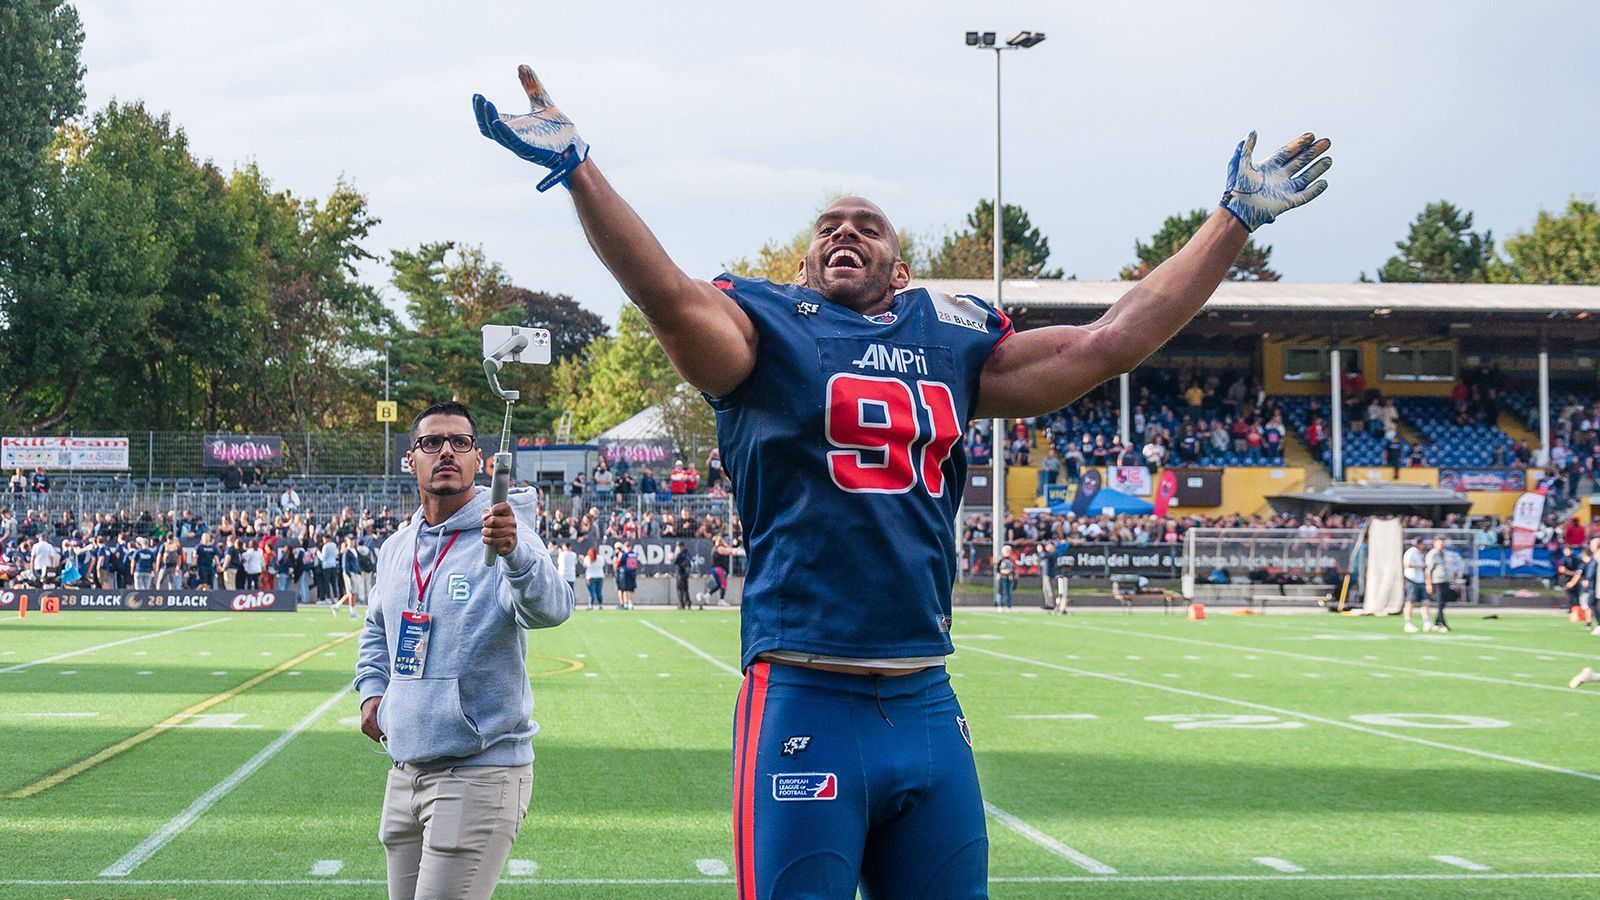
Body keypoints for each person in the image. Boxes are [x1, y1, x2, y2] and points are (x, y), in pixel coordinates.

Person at [472, 66, 1330, 897]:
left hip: (927, 699)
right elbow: (662, 292)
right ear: (805, 266)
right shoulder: (764, 330)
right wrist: (581, 170)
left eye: (868, 226)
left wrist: (1232, 222)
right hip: (806, 687)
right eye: (829, 226)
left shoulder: (949, 339)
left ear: (900, 270)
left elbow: (1105, 343)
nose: (845, 231)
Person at [355, 401, 572, 900]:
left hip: (478, 772)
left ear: (480, 459)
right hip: (405, 768)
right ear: (411, 460)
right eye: (432, 442)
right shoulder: (396, 547)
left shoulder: (504, 533)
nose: (446, 451)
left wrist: (516, 554)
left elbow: (554, 609)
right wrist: (372, 693)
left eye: (460, 442)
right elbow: (376, 630)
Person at [1423, 535, 1452, 634]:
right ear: (1435, 543)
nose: (1442, 544)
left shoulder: (1444, 554)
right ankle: (1442, 623)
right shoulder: (1432, 554)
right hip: (1437, 581)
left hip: (1445, 580)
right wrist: (1429, 584)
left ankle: (1437, 622)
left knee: (1443, 603)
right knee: (1440, 602)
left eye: (1443, 542)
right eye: (1440, 542)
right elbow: (1428, 570)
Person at [1401, 537, 1427, 633]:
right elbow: (1407, 564)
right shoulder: (1411, 552)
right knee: (1410, 602)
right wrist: (1421, 566)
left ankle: (1426, 621)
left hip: (1420, 580)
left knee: (1425, 602)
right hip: (1412, 580)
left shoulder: (1419, 553)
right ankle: (1408, 623)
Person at [995, 544, 1016, 609]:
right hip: (1002, 577)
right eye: (1008, 551)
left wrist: (1012, 573)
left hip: (1009, 577)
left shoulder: (1011, 560)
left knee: (1009, 592)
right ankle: (1000, 605)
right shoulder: (1000, 559)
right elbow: (997, 569)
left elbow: (1013, 568)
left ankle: (1009, 606)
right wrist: (1003, 572)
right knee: (1001, 591)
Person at [673, 540, 692, 610]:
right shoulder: (686, 552)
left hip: (681, 571)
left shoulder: (680, 553)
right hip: (685, 572)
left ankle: (682, 603)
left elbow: (675, 561)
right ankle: (688, 602)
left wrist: (672, 557)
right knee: (685, 588)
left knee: (680, 589)